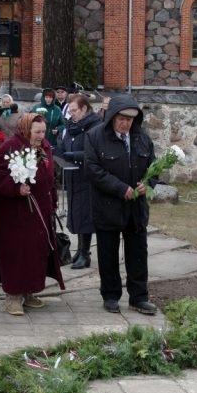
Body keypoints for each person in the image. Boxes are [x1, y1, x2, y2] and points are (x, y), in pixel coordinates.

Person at [85, 94, 158, 315]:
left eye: (130, 119)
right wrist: (120, 188)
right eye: (122, 119)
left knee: (138, 253)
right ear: (112, 117)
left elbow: (154, 166)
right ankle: (110, 295)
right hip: (108, 205)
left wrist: (148, 183)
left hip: (136, 208)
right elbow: (93, 169)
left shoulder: (142, 138)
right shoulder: (95, 136)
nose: (126, 123)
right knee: (108, 253)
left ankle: (139, 297)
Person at [0, 113, 66, 315]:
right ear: (26, 129)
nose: (42, 135)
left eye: (43, 131)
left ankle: (30, 291)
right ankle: (13, 296)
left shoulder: (45, 147)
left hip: (40, 209)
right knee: (17, 253)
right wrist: (15, 189)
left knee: (36, 251)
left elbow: (49, 177)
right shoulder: (12, 146)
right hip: (16, 213)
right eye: (37, 132)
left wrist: (53, 201)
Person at [59, 94, 101, 269]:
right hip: (73, 176)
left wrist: (75, 156)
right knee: (76, 214)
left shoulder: (96, 126)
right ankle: (79, 250)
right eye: (70, 111)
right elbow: (66, 143)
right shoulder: (73, 126)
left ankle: (85, 254)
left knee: (85, 216)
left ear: (84, 109)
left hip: (87, 177)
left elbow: (97, 153)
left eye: (74, 111)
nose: (71, 115)